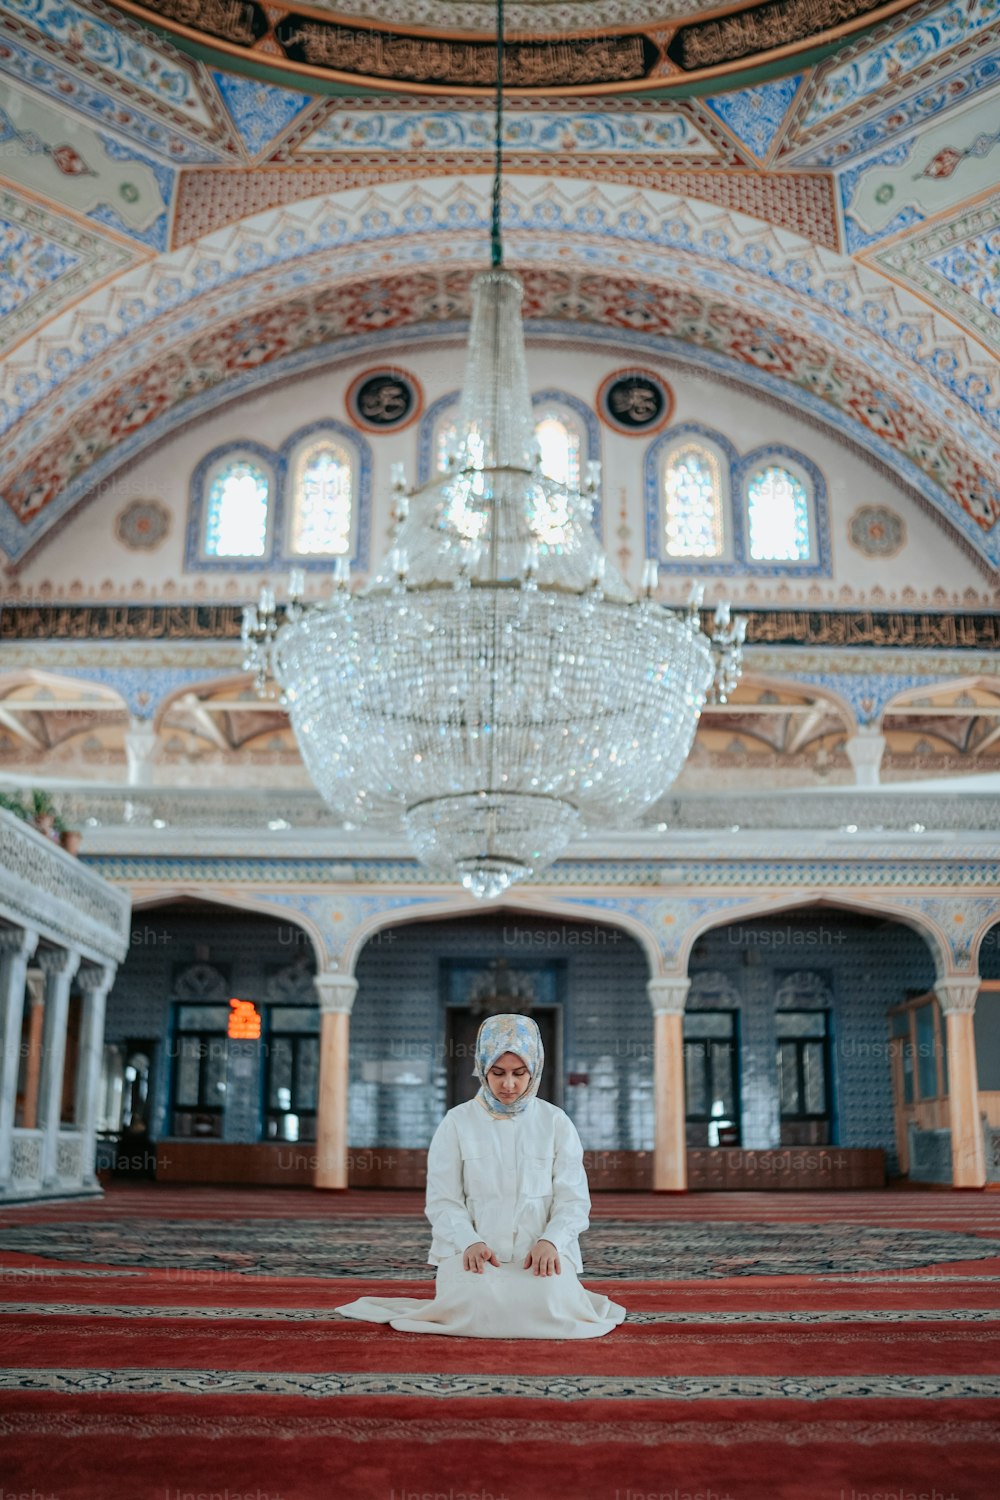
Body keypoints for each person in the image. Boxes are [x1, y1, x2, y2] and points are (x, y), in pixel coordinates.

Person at [336, 1012, 626, 1339]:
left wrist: (551, 1242)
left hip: (541, 1255)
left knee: (550, 1303)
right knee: (477, 1304)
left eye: (520, 1073)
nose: (509, 1084)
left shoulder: (556, 1122)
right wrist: (469, 1242)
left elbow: (573, 1201)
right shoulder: (456, 1122)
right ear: (482, 1067)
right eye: (498, 1072)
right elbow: (443, 1201)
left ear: (536, 1069)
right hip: (474, 1254)